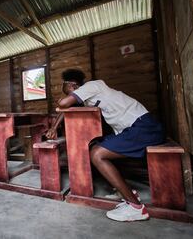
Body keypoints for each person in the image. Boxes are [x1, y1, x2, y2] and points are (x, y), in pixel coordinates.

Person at [46, 69, 165, 222]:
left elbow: (63, 103)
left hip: (144, 128)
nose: (63, 90)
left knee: (97, 154)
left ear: (72, 85)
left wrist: (66, 98)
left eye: (64, 87)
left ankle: (135, 207)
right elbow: (65, 109)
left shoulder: (92, 86)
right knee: (97, 144)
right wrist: (54, 128)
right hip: (136, 128)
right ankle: (125, 191)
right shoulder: (88, 94)